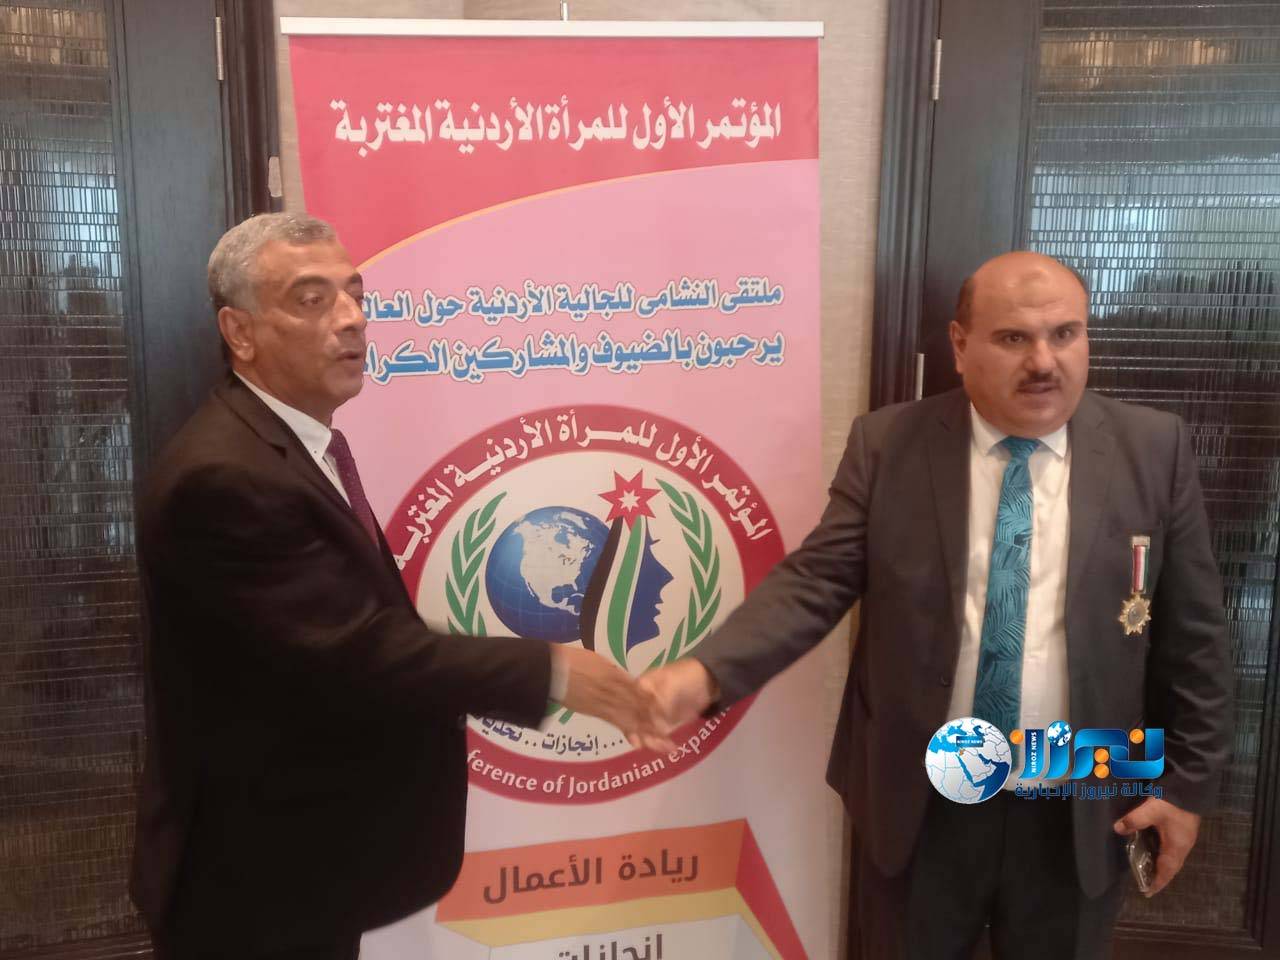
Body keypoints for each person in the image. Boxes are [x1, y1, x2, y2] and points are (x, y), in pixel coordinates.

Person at [638, 251, 1232, 958]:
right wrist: (706, 672)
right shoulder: (889, 443)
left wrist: (1187, 787)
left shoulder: (1153, 447)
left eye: (1065, 334)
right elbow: (815, 581)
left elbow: (1195, 637)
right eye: (1013, 338)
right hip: (924, 795)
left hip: (1086, 787)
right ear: (960, 345)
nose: (1044, 362)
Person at [130, 213, 664, 960]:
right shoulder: (224, 475)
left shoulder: (288, 445)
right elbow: (354, 650)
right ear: (239, 332)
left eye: (355, 293)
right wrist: (551, 671)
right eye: (312, 299)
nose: (351, 318)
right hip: (248, 880)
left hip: (304, 862)